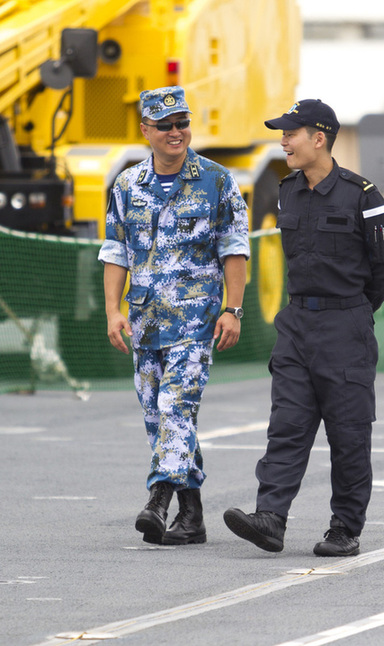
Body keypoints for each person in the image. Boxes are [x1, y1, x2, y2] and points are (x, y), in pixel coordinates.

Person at [223, 99, 384, 556]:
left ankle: (344, 527)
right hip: (296, 324)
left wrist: (356, 311)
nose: (283, 140)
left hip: (345, 326)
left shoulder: (362, 195)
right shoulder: (288, 191)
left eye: (291, 133)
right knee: (286, 425)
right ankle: (271, 518)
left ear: (318, 138)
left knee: (348, 433)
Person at [98, 86, 249, 546]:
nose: (175, 132)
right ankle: (193, 515)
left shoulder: (217, 181)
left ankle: (158, 499)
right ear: (146, 130)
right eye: (164, 125)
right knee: (159, 418)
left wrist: (233, 309)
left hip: (195, 320)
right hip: (145, 321)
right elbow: (116, 250)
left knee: (175, 407)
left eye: (182, 123)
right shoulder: (127, 185)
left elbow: (234, 247)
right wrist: (112, 311)